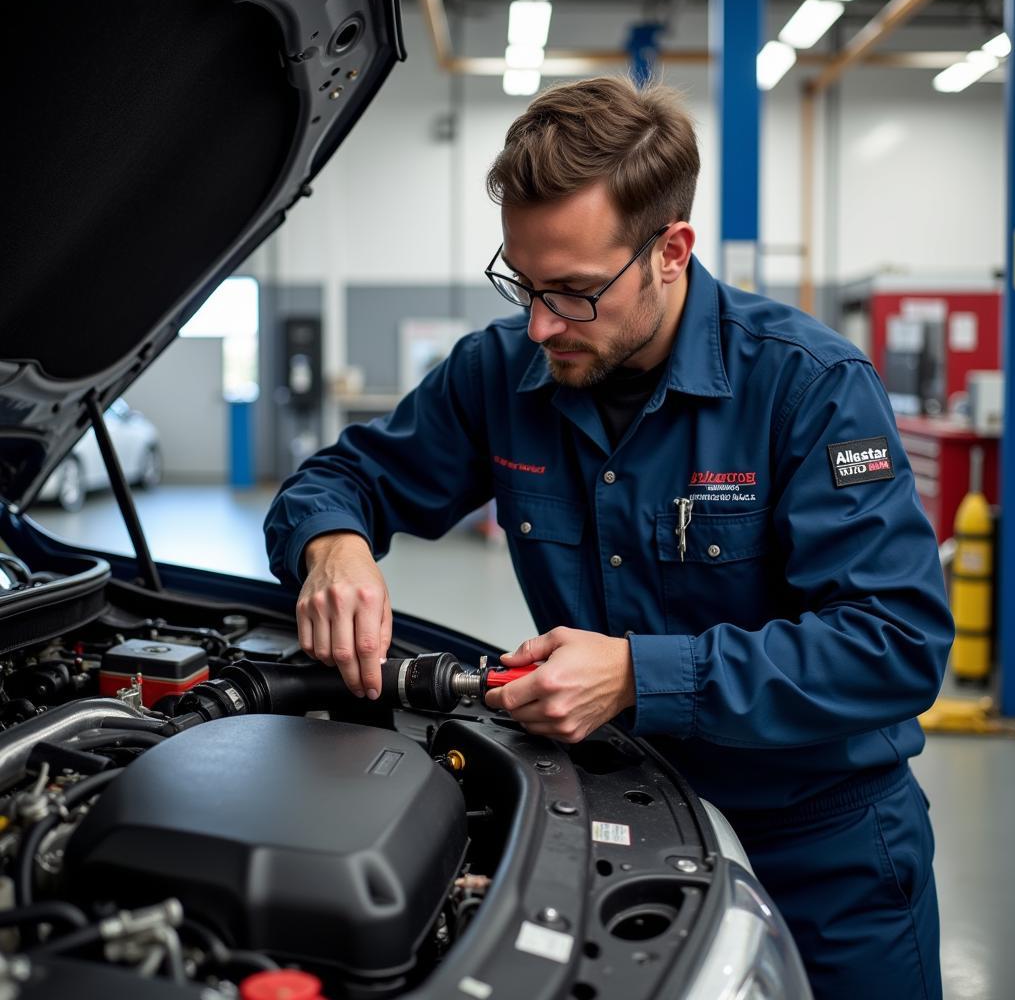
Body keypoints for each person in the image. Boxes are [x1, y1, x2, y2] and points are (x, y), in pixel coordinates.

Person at [264, 76, 952, 999]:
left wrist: (639, 674)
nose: (541, 324)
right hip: (619, 830)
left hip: (825, 858)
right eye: (524, 284)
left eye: (576, 293)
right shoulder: (499, 373)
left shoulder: (809, 388)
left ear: (671, 251)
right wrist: (335, 544)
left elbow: (896, 646)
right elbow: (335, 481)